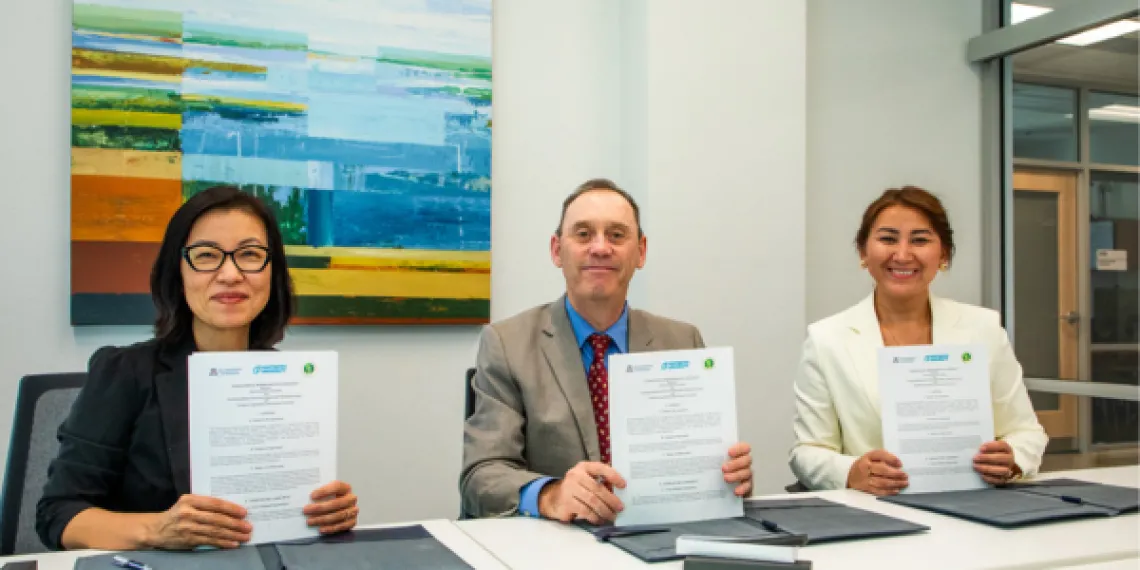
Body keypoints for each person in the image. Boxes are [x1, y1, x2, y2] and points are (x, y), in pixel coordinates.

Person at [37, 186, 359, 551]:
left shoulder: (289, 379)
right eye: (207, 256)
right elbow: (58, 514)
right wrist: (157, 529)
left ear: (272, 272)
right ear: (179, 272)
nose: (230, 274)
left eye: (250, 255)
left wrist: (326, 513)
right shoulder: (124, 371)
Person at [460, 178, 753, 523]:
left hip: (660, 543)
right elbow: (481, 475)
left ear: (640, 252)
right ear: (557, 250)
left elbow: (712, 475)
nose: (600, 248)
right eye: (583, 234)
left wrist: (730, 477)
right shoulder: (507, 344)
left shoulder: (682, 340)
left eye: (616, 235)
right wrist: (549, 495)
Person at [789, 185, 1048, 496]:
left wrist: (1014, 459)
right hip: (876, 515)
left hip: (977, 509)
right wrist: (851, 472)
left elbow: (1026, 432)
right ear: (863, 252)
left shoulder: (983, 328)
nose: (902, 254)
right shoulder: (827, 339)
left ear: (944, 254)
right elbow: (807, 452)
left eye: (920, 240)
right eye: (887, 239)